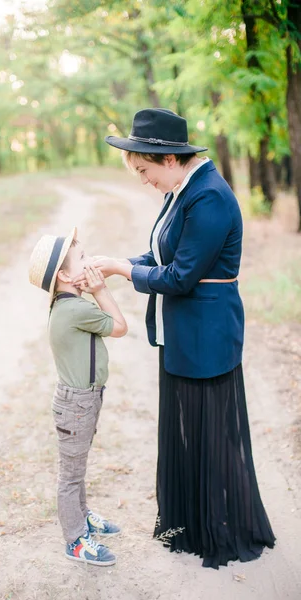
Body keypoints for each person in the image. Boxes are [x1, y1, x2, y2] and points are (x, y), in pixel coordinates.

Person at [74, 108, 275, 569]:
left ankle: (217, 527)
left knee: (208, 433)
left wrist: (125, 271)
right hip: (183, 333)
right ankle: (189, 520)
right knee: (186, 431)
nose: (143, 181)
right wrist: (114, 263)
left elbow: (182, 276)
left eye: (143, 170)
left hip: (207, 334)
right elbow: (166, 252)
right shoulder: (184, 189)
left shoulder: (209, 198)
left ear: (167, 160)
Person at [28, 227, 128, 567]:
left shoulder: (67, 302)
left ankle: (81, 516)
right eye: (83, 258)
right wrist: (101, 289)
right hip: (78, 405)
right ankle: (74, 540)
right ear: (65, 275)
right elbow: (119, 325)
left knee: (77, 467)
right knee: (70, 475)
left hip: (82, 401)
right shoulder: (75, 309)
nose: (90, 261)